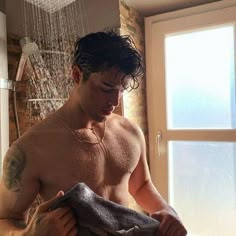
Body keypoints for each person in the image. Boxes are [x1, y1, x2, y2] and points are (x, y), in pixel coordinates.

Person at [0, 30, 187, 236]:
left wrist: (166, 210)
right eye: (107, 87)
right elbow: (5, 219)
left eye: (122, 89)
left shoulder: (131, 132)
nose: (115, 101)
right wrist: (29, 234)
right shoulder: (30, 148)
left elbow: (141, 185)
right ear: (77, 75)